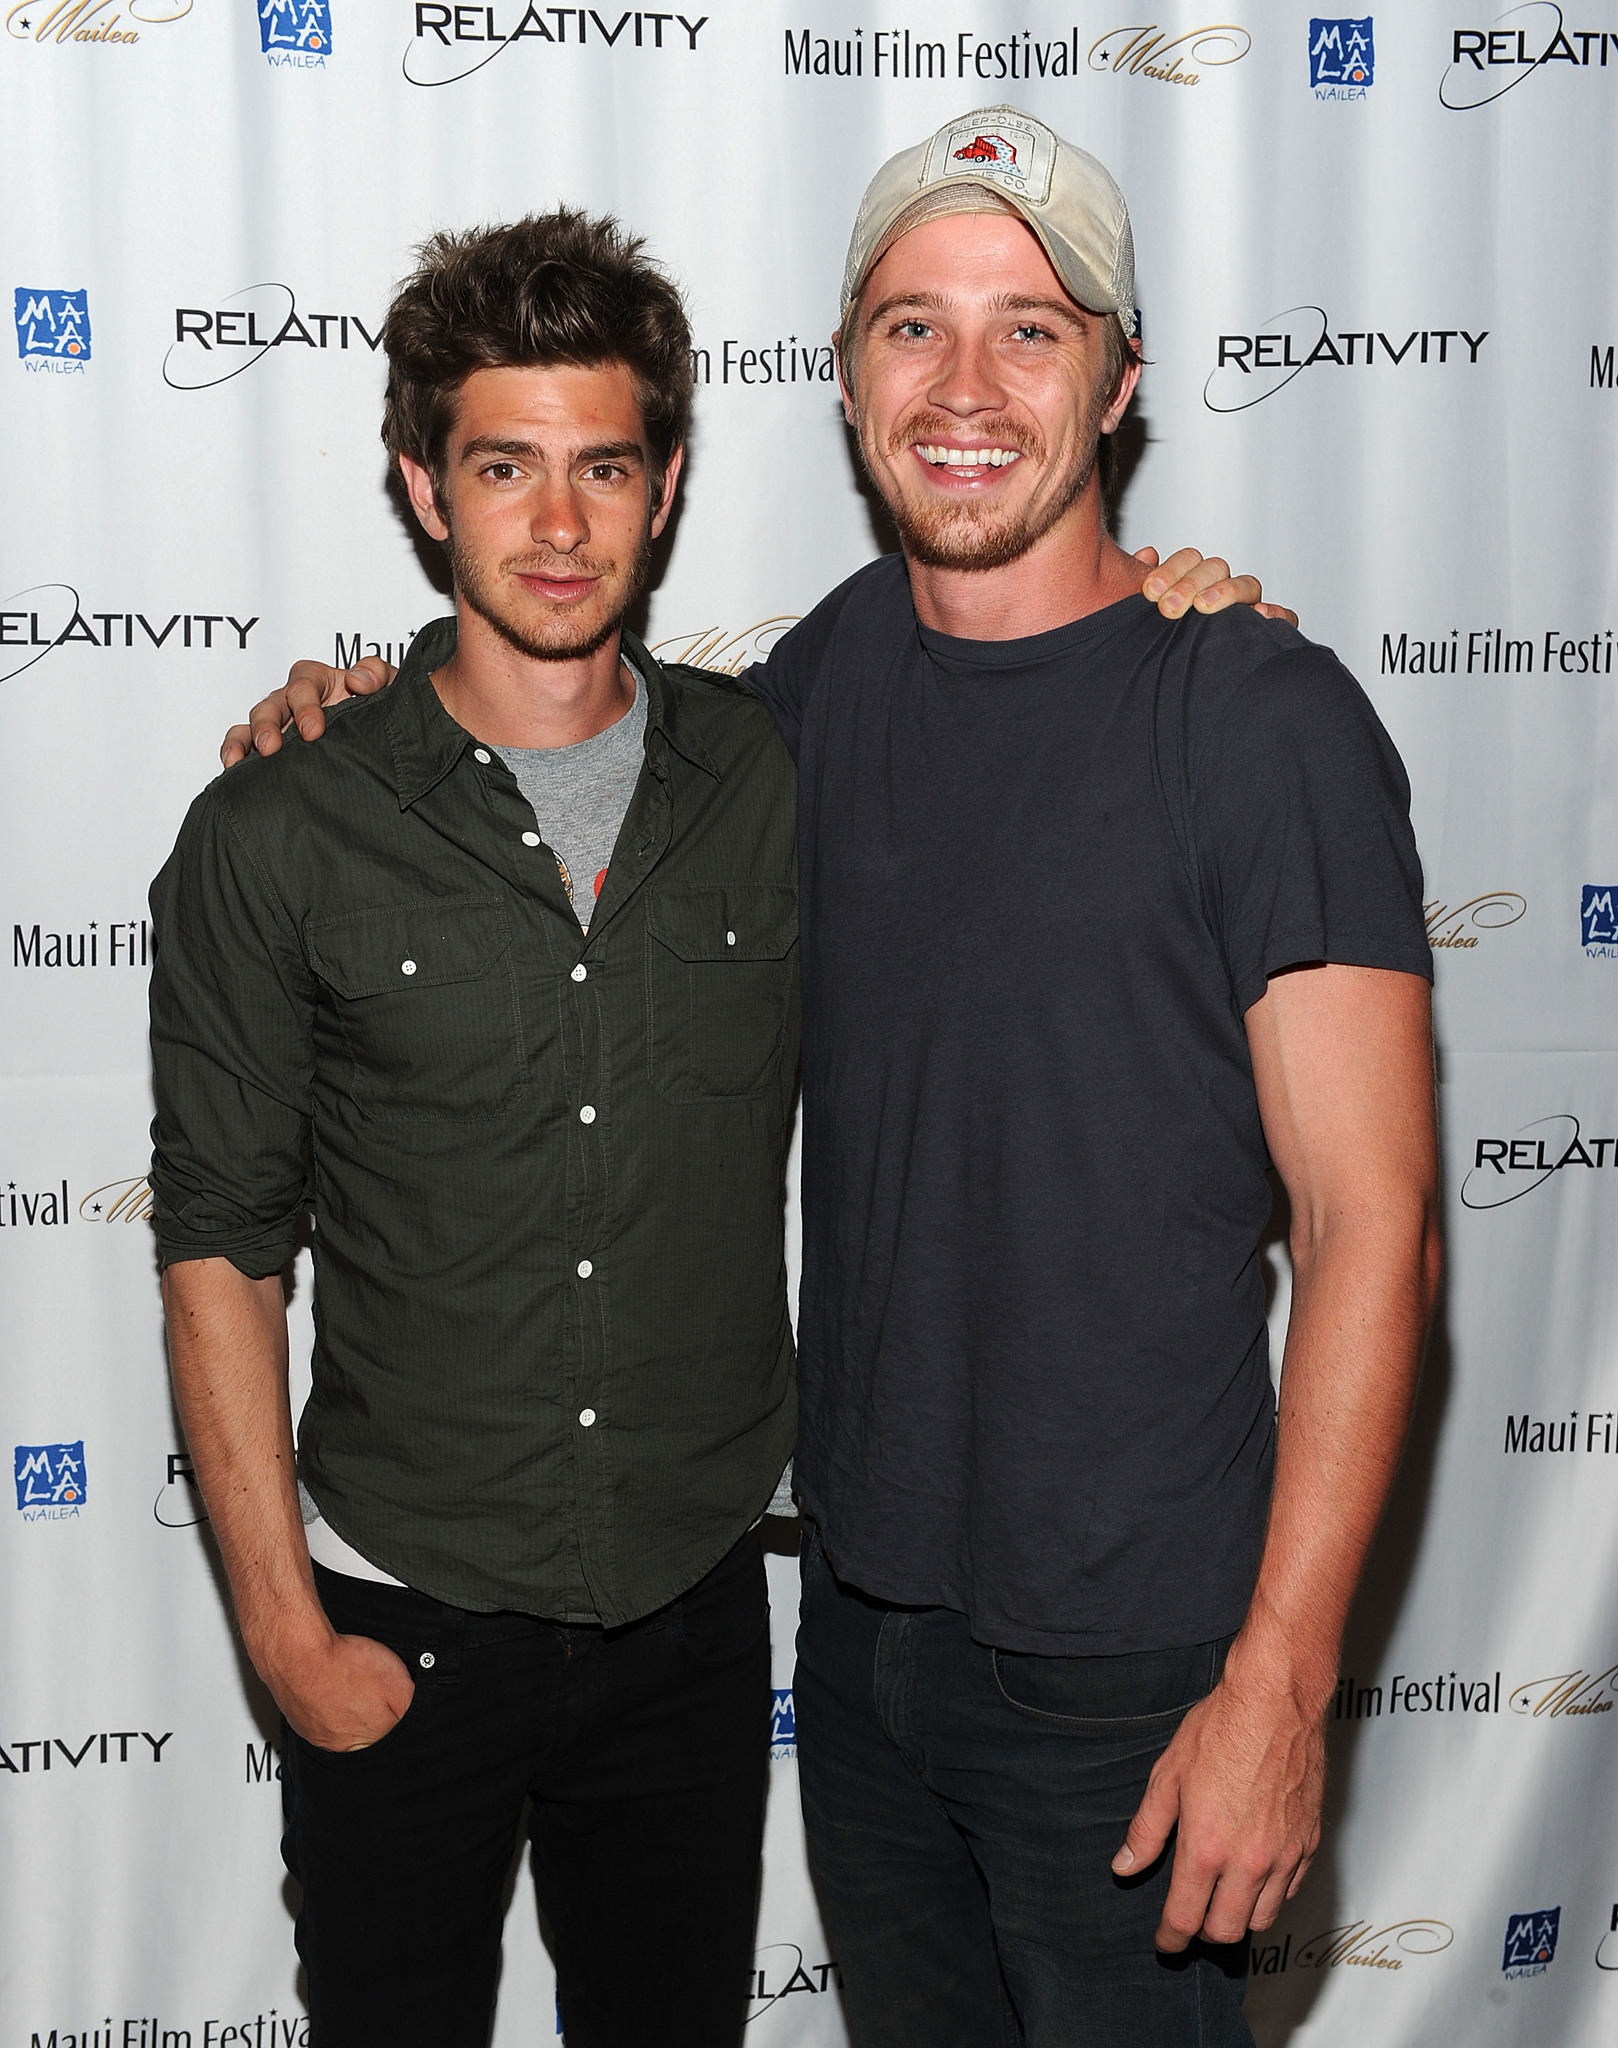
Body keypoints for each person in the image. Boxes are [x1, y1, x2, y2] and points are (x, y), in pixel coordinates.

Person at [216, 114, 1401, 2048]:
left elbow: (1377, 1224)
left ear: (1120, 379)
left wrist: (1278, 1680)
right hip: (855, 1643)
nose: (962, 386)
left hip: (1134, 1669)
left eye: (1030, 329)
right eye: (909, 327)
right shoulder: (801, 711)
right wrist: (333, 709)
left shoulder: (1258, 719)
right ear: (844, 372)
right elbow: (542, 734)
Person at [152, 213, 804, 2048]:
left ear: (664, 485)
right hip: (401, 1614)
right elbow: (219, 1243)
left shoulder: (771, 774)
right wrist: (288, 1640)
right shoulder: (278, 832)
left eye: (602, 466)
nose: (559, 523)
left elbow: (993, 663)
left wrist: (1175, 603)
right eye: (504, 467)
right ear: (423, 490)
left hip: (689, 1615)